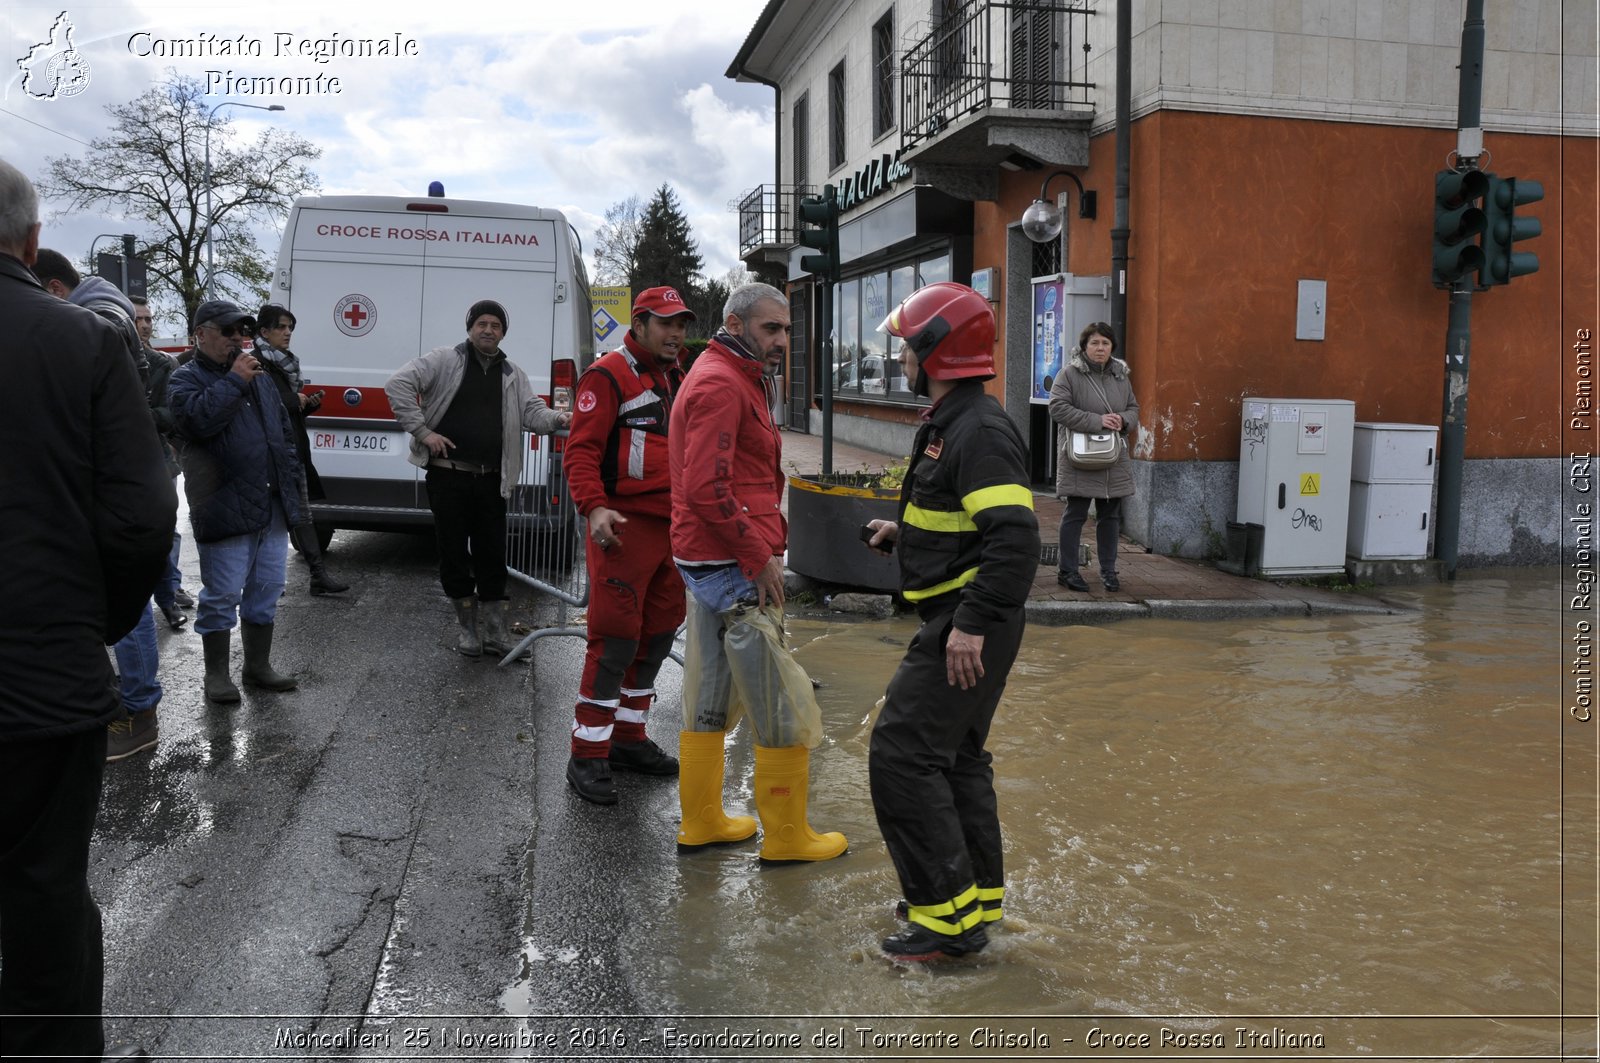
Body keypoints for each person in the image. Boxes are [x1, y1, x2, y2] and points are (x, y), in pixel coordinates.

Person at [0, 157, 173, 1061]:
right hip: (39, 680)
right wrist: (89, 622)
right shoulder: (83, 343)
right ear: (31, 243)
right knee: (43, 895)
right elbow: (144, 514)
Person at [863, 281, 1039, 962]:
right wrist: (902, 533)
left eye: (908, 343)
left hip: (968, 627)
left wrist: (970, 626)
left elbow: (1014, 541)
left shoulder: (979, 429)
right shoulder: (953, 419)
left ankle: (943, 925)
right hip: (966, 618)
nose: (901, 355)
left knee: (901, 754)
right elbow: (967, 526)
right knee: (954, 757)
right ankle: (969, 904)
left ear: (935, 347)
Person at [669, 282, 845, 862]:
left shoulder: (727, 374)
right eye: (772, 329)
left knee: (710, 694)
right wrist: (757, 554)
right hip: (732, 564)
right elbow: (705, 488)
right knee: (780, 703)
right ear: (736, 324)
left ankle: (701, 821)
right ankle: (788, 838)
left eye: (787, 330)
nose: (783, 341)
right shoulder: (723, 382)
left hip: (709, 560)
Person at [36, 249, 169, 762]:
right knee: (126, 603)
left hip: (107, 489)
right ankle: (131, 705)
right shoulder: (107, 314)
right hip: (119, 483)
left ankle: (137, 712)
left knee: (126, 609)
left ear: (53, 289)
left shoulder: (96, 321)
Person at [562, 287, 693, 804]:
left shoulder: (678, 376)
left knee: (657, 635)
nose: (676, 333)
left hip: (673, 529)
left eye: (681, 323)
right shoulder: (607, 375)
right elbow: (581, 450)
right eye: (664, 323)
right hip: (624, 526)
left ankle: (628, 738)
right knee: (615, 640)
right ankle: (586, 755)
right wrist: (594, 507)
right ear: (637, 325)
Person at [385, 300, 572, 657]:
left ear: (503, 333)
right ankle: (468, 630)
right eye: (482, 323)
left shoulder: (512, 373)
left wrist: (558, 420)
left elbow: (532, 412)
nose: (488, 330)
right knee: (453, 553)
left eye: (496, 325)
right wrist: (424, 432)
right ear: (470, 328)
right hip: (448, 477)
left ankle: (496, 632)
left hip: (491, 481)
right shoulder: (445, 360)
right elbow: (398, 385)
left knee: (492, 555)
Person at [168, 300, 304, 703]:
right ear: (201, 335)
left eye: (240, 332)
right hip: (224, 504)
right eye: (227, 332)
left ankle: (258, 666)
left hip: (270, 502)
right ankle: (217, 676)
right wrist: (233, 381)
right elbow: (195, 422)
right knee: (223, 594)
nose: (236, 340)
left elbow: (281, 430)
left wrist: (291, 480)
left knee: (267, 588)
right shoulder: (185, 378)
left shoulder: (258, 377)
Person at [254, 302, 350, 597]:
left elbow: (285, 411)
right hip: (271, 456)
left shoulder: (284, 363)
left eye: (290, 328)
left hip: (293, 450)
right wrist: (295, 400)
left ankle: (317, 575)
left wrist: (307, 404)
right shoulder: (256, 364)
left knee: (303, 514)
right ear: (264, 331)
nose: (287, 333)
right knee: (270, 519)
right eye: (281, 327)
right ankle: (266, 579)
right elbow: (264, 405)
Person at [1048, 321, 1138, 592]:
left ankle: (1109, 571)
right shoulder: (1069, 374)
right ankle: (1068, 571)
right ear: (1085, 346)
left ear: (1112, 347)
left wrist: (1122, 420)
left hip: (1113, 457)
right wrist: (1097, 420)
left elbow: (1134, 408)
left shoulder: (1121, 376)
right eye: (1095, 343)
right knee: (1075, 513)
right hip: (1079, 456)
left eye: (1105, 343)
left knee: (1110, 516)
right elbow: (1057, 408)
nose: (1100, 348)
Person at [133, 295, 196, 628]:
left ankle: (169, 596)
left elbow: (171, 414)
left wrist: (132, 413)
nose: (144, 325)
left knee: (165, 530)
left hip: (157, 460)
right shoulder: (105, 357)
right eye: (137, 318)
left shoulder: (162, 364)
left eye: (147, 319)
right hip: (116, 462)